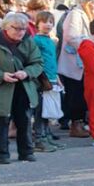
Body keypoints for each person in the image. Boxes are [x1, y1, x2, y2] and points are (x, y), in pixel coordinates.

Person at [0, 12, 44, 164]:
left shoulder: (28, 42)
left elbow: (37, 63)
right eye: (17, 28)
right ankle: (2, 154)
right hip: (0, 87)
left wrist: (26, 72)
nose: (21, 32)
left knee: (24, 120)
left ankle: (26, 152)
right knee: (2, 120)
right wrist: (1, 75)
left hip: (23, 87)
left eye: (23, 29)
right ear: (6, 27)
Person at [57, 0, 94, 138]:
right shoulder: (75, 14)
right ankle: (76, 123)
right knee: (75, 93)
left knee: (83, 93)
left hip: (84, 61)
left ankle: (82, 122)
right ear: (89, 3)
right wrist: (88, 47)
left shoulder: (87, 15)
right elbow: (71, 36)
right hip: (75, 61)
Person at [32, 10, 62, 152]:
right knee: (41, 110)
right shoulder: (36, 40)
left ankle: (46, 135)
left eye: (50, 22)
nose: (48, 25)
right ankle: (39, 138)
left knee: (48, 109)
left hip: (51, 78)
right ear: (38, 24)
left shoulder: (50, 40)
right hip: (42, 79)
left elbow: (52, 61)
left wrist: (56, 77)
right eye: (44, 22)